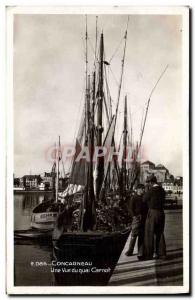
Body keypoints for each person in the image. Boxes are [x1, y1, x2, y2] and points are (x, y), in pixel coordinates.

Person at [144, 175, 166, 259]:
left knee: (150, 232)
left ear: (151, 182)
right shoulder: (162, 190)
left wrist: (147, 190)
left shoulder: (151, 190)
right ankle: (161, 253)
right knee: (160, 232)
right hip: (161, 213)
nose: (148, 184)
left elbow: (144, 199)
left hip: (152, 213)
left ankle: (150, 254)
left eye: (148, 183)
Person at [125, 184, 147, 260]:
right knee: (134, 234)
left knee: (142, 235)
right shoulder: (133, 198)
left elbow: (147, 207)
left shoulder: (144, 198)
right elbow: (130, 208)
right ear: (138, 190)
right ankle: (130, 251)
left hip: (144, 218)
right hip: (136, 218)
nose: (143, 190)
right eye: (142, 189)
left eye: (144, 189)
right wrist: (134, 216)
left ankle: (140, 253)